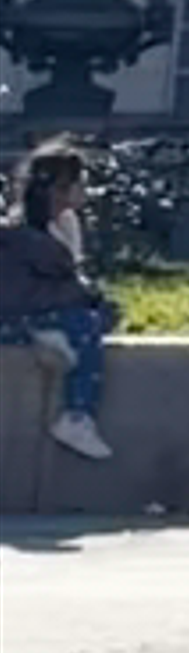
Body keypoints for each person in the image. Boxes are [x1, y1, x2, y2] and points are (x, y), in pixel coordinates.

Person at [0, 143, 121, 463]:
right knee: (86, 322)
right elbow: (34, 292)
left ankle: (49, 337)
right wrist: (89, 301)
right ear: (58, 189)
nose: (86, 190)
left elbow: (68, 281)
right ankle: (77, 415)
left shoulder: (64, 225)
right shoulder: (24, 238)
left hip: (38, 312)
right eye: (80, 182)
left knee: (93, 318)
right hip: (14, 317)